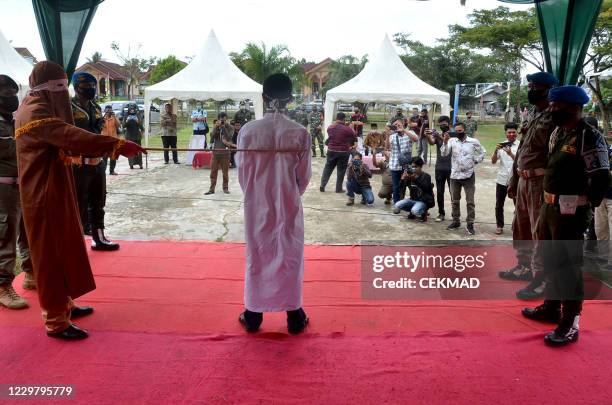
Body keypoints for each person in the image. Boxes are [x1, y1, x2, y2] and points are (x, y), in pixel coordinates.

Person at [14, 61, 144, 339]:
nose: (64, 92)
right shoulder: (34, 110)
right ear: (44, 87)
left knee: (66, 244)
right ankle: (55, 320)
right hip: (42, 193)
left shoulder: (42, 104)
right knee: (50, 254)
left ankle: (65, 303)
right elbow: (68, 135)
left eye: (65, 86)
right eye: (58, 87)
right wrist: (116, 145)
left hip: (56, 187)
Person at [522, 85, 610, 347]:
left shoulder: (589, 136)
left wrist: (587, 204)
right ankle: (551, 306)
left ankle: (571, 320)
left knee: (568, 266)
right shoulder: (559, 132)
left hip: (571, 211)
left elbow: (602, 176)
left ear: (573, 107)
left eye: (556, 105)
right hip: (550, 207)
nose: (551, 108)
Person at [236, 73, 311, 334]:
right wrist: (287, 193)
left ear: (264, 97)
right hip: (289, 202)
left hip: (256, 204)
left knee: (258, 253)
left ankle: (253, 314)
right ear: (290, 98)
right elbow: (304, 178)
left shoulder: (248, 131)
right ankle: (294, 316)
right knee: (289, 253)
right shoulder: (300, 133)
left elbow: (243, 174)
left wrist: (256, 193)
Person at [500, 72, 558, 300]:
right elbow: (523, 149)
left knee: (539, 231)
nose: (531, 89)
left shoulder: (554, 117)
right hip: (523, 179)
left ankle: (541, 278)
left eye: (535, 86)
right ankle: (523, 266)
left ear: (547, 90)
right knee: (520, 226)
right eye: (531, 85)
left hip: (539, 182)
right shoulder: (534, 114)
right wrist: (514, 180)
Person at [71, 72, 119, 251]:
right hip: (78, 163)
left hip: (97, 161)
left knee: (99, 201)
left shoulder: (96, 107)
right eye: (86, 87)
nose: (91, 89)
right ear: (76, 88)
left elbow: (98, 130)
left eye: (93, 86)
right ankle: (76, 241)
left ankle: (98, 238)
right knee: (78, 203)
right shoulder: (68, 107)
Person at [0, 74, 34, 309]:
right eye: (7, 94)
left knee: (28, 231)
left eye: (14, 93)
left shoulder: (12, 120)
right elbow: (13, 149)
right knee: (6, 235)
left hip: (21, 183)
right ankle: (3, 287)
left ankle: (31, 274)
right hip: (4, 188)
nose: (12, 98)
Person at [441, 122, 485, 235]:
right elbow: (444, 153)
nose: (457, 133)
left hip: (468, 176)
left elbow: (482, 152)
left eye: (460, 131)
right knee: (454, 201)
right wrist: (445, 142)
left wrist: (475, 161)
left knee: (470, 202)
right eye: (456, 131)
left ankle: (470, 224)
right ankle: (456, 221)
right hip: (455, 176)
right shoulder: (452, 141)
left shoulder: (473, 142)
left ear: (465, 130)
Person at [491, 123, 519, 234]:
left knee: (518, 205)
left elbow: (520, 162)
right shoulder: (501, 145)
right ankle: (499, 226)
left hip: (516, 179)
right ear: (506, 133)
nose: (511, 134)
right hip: (502, 179)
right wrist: (495, 150)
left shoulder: (521, 145)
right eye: (509, 132)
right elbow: (493, 161)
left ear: (517, 133)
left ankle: (517, 225)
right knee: (499, 204)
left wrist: (511, 154)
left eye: (514, 132)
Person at [320, 112, 356, 193]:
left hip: (331, 150)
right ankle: (338, 188)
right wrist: (351, 127)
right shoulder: (347, 129)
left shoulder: (330, 127)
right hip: (343, 152)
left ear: (336, 118)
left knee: (328, 168)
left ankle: (322, 185)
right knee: (341, 170)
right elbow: (353, 136)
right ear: (344, 119)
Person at [425, 116, 453, 222]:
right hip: (440, 167)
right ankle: (441, 213)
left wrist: (439, 137)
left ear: (449, 124)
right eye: (440, 125)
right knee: (440, 192)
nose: (442, 126)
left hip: (452, 168)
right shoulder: (438, 135)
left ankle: (455, 213)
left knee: (453, 192)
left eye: (444, 124)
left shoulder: (454, 135)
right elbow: (431, 143)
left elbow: (450, 143)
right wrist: (427, 136)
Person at [392, 157, 434, 222]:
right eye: (412, 167)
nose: (413, 169)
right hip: (412, 200)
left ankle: (423, 212)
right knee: (397, 205)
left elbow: (426, 188)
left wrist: (415, 179)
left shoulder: (426, 176)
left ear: (421, 166)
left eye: (415, 167)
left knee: (415, 211)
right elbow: (401, 187)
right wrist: (402, 179)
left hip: (423, 201)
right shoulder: (410, 175)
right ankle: (413, 211)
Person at [386, 119, 418, 204]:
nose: (397, 126)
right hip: (394, 165)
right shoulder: (392, 136)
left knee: (411, 186)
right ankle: (397, 204)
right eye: (395, 125)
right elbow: (387, 148)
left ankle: (416, 202)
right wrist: (387, 135)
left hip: (407, 165)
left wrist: (404, 130)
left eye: (398, 125)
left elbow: (416, 139)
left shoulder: (409, 133)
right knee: (396, 186)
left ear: (403, 124)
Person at [205, 112, 234, 195]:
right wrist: (216, 128)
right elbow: (211, 137)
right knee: (213, 172)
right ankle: (211, 189)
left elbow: (229, 137)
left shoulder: (230, 127)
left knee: (225, 173)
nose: (222, 122)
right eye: (221, 120)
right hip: (216, 153)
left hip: (225, 153)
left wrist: (224, 127)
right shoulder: (216, 126)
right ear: (218, 119)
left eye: (224, 120)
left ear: (226, 119)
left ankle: (225, 188)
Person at [101, 105, 121, 175]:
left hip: (113, 140)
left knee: (113, 157)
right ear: (105, 111)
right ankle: (103, 171)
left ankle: (112, 171)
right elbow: (99, 125)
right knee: (104, 158)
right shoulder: (102, 118)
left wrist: (114, 116)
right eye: (107, 110)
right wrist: (104, 117)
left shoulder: (114, 118)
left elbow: (118, 125)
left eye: (110, 110)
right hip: (105, 141)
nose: (109, 111)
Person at [123, 105, 144, 170]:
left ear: (135, 110)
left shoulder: (137, 115)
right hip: (129, 136)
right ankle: (131, 164)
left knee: (138, 150)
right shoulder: (126, 116)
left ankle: (140, 164)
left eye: (133, 109)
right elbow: (123, 126)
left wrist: (138, 121)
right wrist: (127, 121)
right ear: (128, 110)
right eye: (130, 109)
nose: (132, 110)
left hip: (137, 136)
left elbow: (141, 127)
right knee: (130, 150)